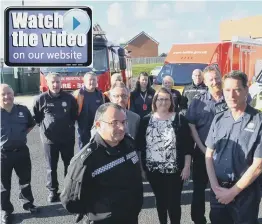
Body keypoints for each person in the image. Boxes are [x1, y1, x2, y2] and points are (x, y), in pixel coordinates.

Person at [205, 70, 262, 224]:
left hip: (245, 193)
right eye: (227, 90)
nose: (231, 95)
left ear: (246, 90)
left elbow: (259, 165)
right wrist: (215, 186)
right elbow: (208, 154)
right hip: (218, 190)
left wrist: (233, 192)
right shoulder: (219, 118)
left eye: (237, 89)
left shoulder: (260, 121)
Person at [62, 103, 143, 224]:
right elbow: (70, 201)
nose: (122, 127)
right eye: (114, 123)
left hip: (130, 217)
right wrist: (99, 213)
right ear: (98, 125)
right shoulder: (86, 161)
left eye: (124, 122)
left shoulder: (129, 144)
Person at [137, 87, 193, 224]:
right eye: (160, 99)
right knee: (160, 201)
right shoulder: (145, 120)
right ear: (155, 101)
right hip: (153, 171)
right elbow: (139, 147)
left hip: (175, 171)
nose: (163, 102)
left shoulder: (180, 119)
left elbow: (188, 146)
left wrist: (187, 167)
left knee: (174, 203)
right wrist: (142, 168)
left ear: (171, 101)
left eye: (167, 99)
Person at [186, 65, 226, 224]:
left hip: (225, 154)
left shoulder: (230, 98)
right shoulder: (197, 102)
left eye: (217, 78)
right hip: (202, 153)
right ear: (205, 81)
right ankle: (198, 220)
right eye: (211, 79)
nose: (215, 81)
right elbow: (191, 126)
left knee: (222, 189)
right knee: (199, 190)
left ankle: (221, 219)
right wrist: (203, 149)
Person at [33, 73, 78, 203]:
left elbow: (74, 115)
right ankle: (53, 191)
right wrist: (47, 128)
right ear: (48, 83)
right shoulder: (41, 99)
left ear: (61, 82)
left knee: (69, 165)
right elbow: (37, 117)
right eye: (53, 82)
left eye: (58, 82)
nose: (55, 84)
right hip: (49, 140)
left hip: (67, 138)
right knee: (51, 166)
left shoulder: (69, 98)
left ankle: (68, 189)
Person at [0, 84, 38, 224]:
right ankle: (6, 210)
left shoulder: (22, 109)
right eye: (3, 94)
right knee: (4, 185)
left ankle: (28, 203)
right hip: (2, 155)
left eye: (9, 93)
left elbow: (30, 124)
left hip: (22, 151)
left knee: (25, 180)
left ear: (13, 94)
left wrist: (19, 136)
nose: (7, 97)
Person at [72, 72, 105, 150]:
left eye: (94, 80)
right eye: (90, 80)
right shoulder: (78, 94)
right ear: (84, 81)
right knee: (84, 147)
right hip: (83, 126)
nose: (92, 82)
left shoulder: (100, 94)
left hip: (96, 126)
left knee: (98, 146)